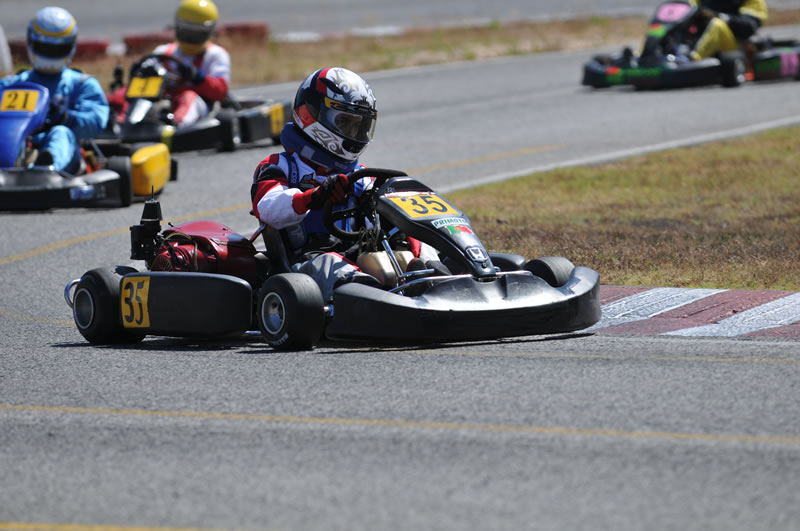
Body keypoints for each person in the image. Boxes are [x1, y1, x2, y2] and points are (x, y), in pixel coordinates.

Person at [250, 67, 391, 301]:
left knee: (409, 246)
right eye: (344, 122)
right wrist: (315, 196)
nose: (353, 132)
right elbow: (269, 208)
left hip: (356, 256)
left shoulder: (362, 176)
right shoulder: (280, 166)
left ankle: (436, 276)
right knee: (331, 263)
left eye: (359, 125)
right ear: (311, 115)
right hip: (305, 264)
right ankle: (370, 299)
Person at [0, 7, 108, 173]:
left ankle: (45, 168)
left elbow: (95, 121)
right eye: (44, 47)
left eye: (57, 49)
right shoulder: (12, 84)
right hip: (16, 144)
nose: (50, 53)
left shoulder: (82, 84)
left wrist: (66, 118)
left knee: (60, 133)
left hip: (64, 158)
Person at [152, 0, 230, 126]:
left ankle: (177, 127)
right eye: (186, 32)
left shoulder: (215, 54)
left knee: (188, 96)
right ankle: (122, 123)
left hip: (200, 107)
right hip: (163, 101)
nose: (189, 38)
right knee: (124, 95)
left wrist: (197, 77)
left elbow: (220, 91)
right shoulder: (162, 52)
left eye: (196, 34)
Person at [689, 0, 768, 60]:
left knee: (718, 25)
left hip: (735, 44)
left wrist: (719, 16)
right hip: (699, 34)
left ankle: (692, 59)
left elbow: (749, 26)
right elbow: (687, 7)